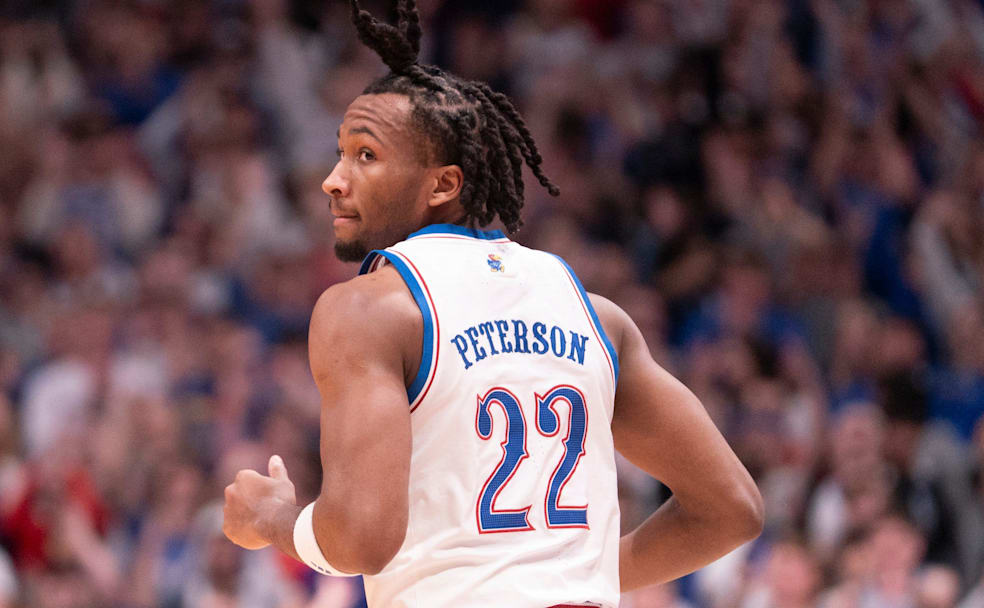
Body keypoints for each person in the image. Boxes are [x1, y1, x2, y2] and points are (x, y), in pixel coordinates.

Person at [221, 1, 763, 606]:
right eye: (341, 153)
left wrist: (272, 519)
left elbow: (361, 539)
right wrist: (569, 578)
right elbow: (732, 508)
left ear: (443, 184)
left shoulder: (371, 310)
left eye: (365, 156)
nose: (333, 179)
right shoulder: (596, 315)